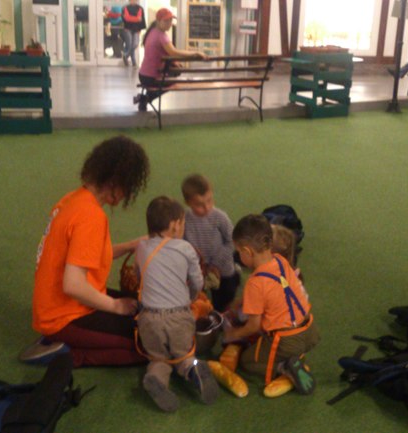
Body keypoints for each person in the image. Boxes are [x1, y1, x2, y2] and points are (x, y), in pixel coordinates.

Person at [30, 135, 150, 368]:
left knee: (144, 312)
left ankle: (63, 343)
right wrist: (115, 306)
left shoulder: (73, 199)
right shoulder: (91, 216)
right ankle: (70, 355)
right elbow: (73, 285)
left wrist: (132, 244)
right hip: (65, 317)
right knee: (150, 344)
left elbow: (87, 255)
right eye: (128, 187)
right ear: (115, 182)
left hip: (56, 307)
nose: (127, 194)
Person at [220, 214, 320, 397]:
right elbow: (276, 290)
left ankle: (284, 366)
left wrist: (233, 334)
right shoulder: (280, 261)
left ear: (247, 251)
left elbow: (253, 326)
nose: (239, 256)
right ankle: (295, 357)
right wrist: (241, 302)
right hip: (310, 331)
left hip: (286, 340)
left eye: (239, 252)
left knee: (247, 362)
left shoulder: (255, 283)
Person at [135, 196, 218, 412]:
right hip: (179, 316)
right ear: (174, 225)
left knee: (158, 359)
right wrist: (190, 299)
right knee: (185, 355)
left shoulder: (141, 248)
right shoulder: (186, 248)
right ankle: (194, 369)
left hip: (149, 318)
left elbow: (139, 279)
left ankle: (156, 378)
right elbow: (197, 282)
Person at [181, 174, 239, 312]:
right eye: (199, 204)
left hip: (222, 269)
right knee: (198, 301)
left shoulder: (220, 217)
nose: (206, 207)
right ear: (188, 202)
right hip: (198, 270)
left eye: (209, 200)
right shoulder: (184, 219)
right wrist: (198, 265)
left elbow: (232, 240)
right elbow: (182, 245)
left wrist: (216, 264)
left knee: (224, 301)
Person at [134, 8, 207, 112]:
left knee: (174, 73)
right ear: (158, 21)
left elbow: (161, 53)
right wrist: (195, 53)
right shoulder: (161, 36)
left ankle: (144, 98)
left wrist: (174, 62)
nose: (169, 23)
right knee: (174, 82)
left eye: (170, 20)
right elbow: (174, 52)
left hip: (143, 75)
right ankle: (145, 98)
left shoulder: (152, 31)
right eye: (166, 21)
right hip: (152, 77)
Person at [121, 0, 146, 67]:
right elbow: (125, 18)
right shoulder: (125, 8)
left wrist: (131, 18)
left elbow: (141, 20)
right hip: (127, 28)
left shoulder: (140, 8)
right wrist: (136, 19)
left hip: (137, 29)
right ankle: (134, 62)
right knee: (129, 44)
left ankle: (126, 55)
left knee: (135, 44)